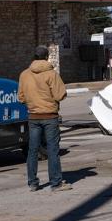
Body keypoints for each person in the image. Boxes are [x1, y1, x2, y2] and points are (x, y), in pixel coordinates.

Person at [18, 45, 70, 192]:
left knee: (32, 150)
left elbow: (21, 98)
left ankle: (33, 183)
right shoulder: (51, 74)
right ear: (47, 57)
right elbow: (60, 95)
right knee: (53, 150)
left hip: (33, 117)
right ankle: (56, 183)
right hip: (50, 116)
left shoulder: (24, 75)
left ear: (34, 57)